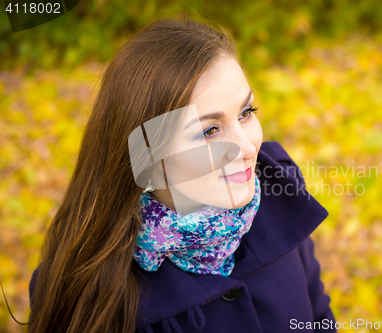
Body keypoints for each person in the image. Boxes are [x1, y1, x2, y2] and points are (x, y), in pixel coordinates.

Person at [27, 15, 337, 333]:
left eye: (246, 113)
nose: (246, 147)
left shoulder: (279, 202)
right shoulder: (91, 297)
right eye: (209, 131)